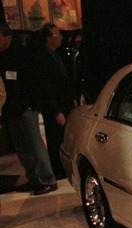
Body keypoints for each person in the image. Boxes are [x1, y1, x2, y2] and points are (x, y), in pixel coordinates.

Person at [0, 24, 58, 195]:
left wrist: (31, 104)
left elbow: (35, 82)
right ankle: (34, 179)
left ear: (7, 37)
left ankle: (47, 179)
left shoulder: (23, 55)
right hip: (10, 109)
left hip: (25, 107)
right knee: (22, 147)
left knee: (34, 144)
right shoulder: (2, 57)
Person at [34, 23, 77, 180]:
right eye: (57, 35)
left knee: (64, 137)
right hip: (55, 107)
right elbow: (46, 88)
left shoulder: (58, 55)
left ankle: (64, 166)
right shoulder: (43, 59)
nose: (61, 37)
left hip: (64, 103)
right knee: (55, 139)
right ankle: (58, 170)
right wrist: (56, 111)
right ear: (48, 39)